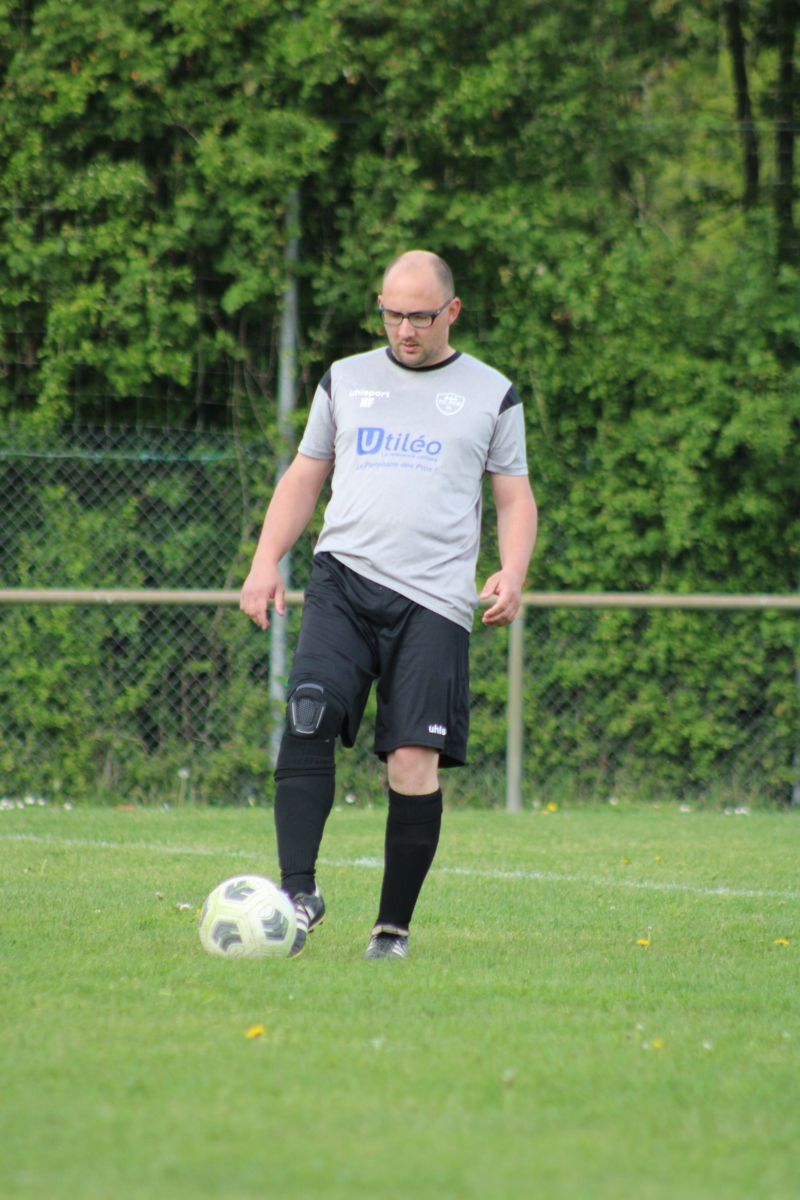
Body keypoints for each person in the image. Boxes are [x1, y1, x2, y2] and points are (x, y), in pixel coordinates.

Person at [240, 250, 537, 959]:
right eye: (392, 314)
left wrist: (512, 570)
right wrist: (264, 560)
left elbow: (513, 497)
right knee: (308, 712)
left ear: (451, 311)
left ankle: (391, 931)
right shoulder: (344, 379)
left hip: (433, 602)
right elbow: (304, 476)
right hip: (343, 580)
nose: (405, 329)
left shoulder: (492, 394)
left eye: (421, 316)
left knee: (410, 762)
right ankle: (298, 895)